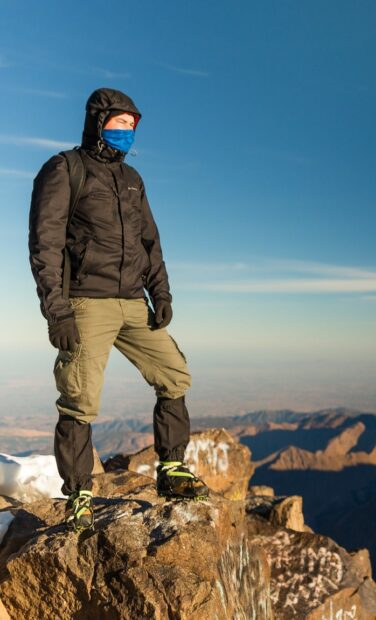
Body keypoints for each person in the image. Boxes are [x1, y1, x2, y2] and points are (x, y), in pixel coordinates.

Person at [28, 87, 209, 532]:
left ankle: (171, 469)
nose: (127, 132)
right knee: (80, 398)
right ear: (98, 122)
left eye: (132, 125)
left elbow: (151, 242)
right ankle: (79, 494)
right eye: (119, 124)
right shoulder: (64, 170)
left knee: (174, 374)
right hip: (87, 302)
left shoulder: (132, 179)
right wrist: (58, 313)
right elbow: (45, 245)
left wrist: (160, 294)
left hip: (133, 301)